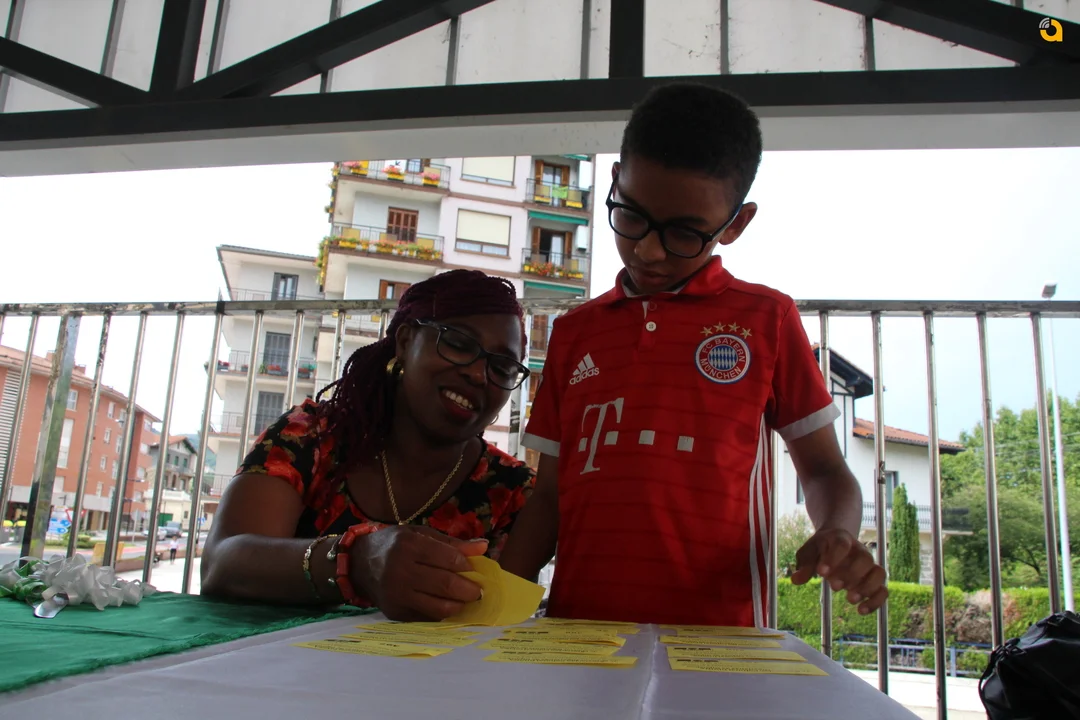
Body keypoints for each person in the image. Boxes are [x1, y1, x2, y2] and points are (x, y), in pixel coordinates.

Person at [500, 83, 889, 627]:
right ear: (614, 182)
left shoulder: (767, 320)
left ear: (736, 224)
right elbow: (548, 500)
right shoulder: (574, 333)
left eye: (684, 233)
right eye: (630, 216)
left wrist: (837, 531)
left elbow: (825, 470)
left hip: (718, 643)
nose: (648, 250)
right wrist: (491, 617)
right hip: (579, 635)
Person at [202, 270, 535, 621]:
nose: (479, 374)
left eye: (503, 367)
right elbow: (221, 564)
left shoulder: (513, 494)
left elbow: (500, 624)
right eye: (458, 343)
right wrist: (353, 562)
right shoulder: (309, 436)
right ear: (405, 342)